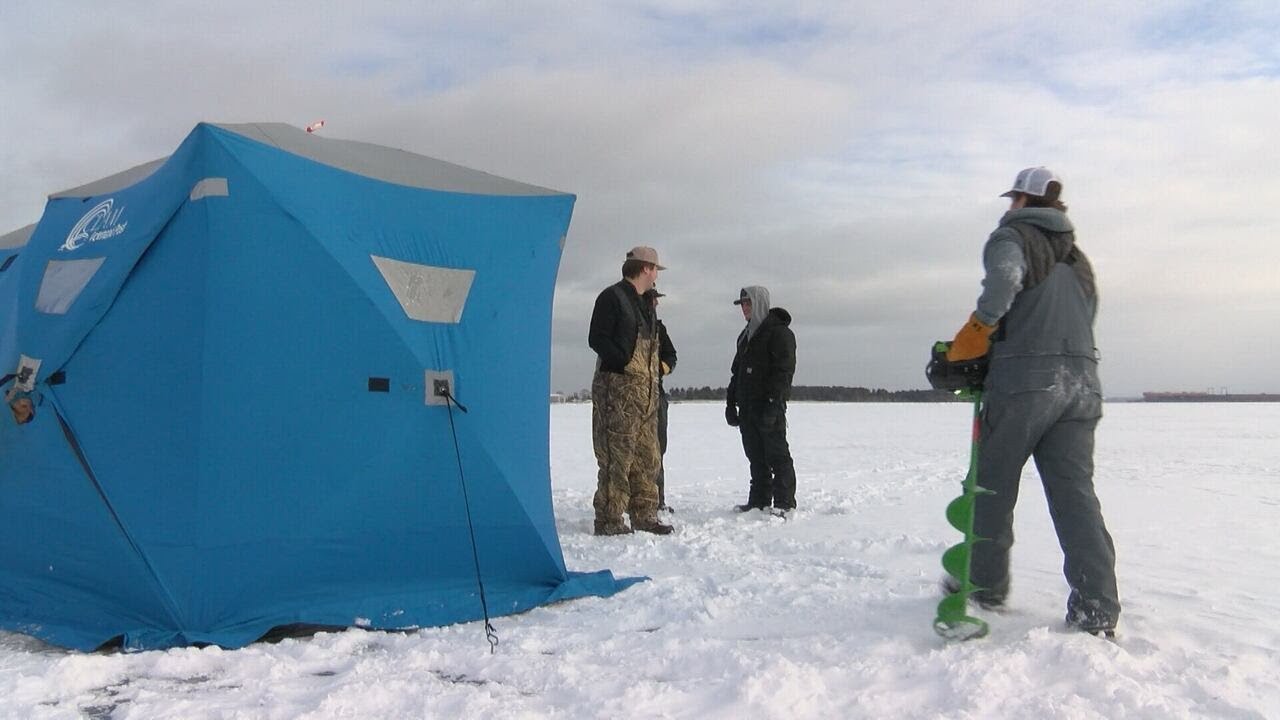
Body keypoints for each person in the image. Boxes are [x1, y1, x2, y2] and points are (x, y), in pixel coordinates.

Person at [943, 167, 1120, 636]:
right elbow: (1090, 311)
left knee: (991, 487)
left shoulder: (1012, 238)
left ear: (1023, 200)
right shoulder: (1076, 258)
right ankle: (1096, 608)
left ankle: (982, 586)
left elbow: (1003, 284)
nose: (1009, 206)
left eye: (1013, 198)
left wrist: (976, 335)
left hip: (1026, 383)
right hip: (1082, 383)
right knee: (1076, 497)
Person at [587, 247, 674, 536]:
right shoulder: (612, 297)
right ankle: (610, 519)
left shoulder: (645, 304)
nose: (656, 277)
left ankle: (644, 515)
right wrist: (622, 362)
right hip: (618, 395)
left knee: (648, 457)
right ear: (646, 268)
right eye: (655, 271)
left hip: (646, 396)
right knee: (616, 458)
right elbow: (596, 338)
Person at [725, 286, 797, 516]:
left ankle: (785, 504)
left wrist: (774, 404)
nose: (745, 308)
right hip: (747, 407)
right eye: (742, 304)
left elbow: (783, 372)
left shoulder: (779, 333)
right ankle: (759, 501)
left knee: (777, 455)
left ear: (760, 304)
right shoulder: (745, 336)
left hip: (769, 407)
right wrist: (731, 402)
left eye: (748, 303)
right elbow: (736, 373)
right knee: (755, 455)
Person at [644, 287, 678, 512]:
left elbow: (672, 356)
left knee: (658, 448)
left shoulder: (660, 329)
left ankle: (658, 499)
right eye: (653, 300)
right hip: (633, 399)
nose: (656, 304)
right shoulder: (632, 326)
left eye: (657, 300)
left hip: (657, 395)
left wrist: (660, 368)